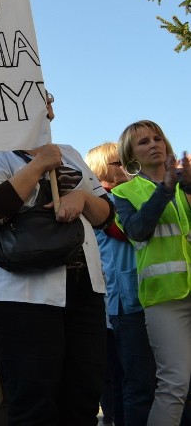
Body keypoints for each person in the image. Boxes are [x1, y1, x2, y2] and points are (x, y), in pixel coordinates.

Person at [0, 136, 113, 425]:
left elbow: (106, 217)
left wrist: (83, 198)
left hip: (84, 289)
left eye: (46, 97)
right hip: (19, 295)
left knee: (83, 398)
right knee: (33, 405)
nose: (46, 104)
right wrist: (38, 165)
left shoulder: (69, 152)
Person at [112, 121, 191, 426]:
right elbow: (137, 231)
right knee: (174, 385)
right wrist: (166, 189)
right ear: (131, 155)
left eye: (158, 138)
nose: (154, 144)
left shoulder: (188, 183)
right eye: (143, 142)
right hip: (165, 298)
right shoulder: (124, 192)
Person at [86, 142, 155, 426]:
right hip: (122, 303)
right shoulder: (104, 203)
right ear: (101, 169)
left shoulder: (131, 195)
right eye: (119, 163)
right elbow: (134, 233)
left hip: (140, 298)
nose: (128, 167)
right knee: (131, 382)